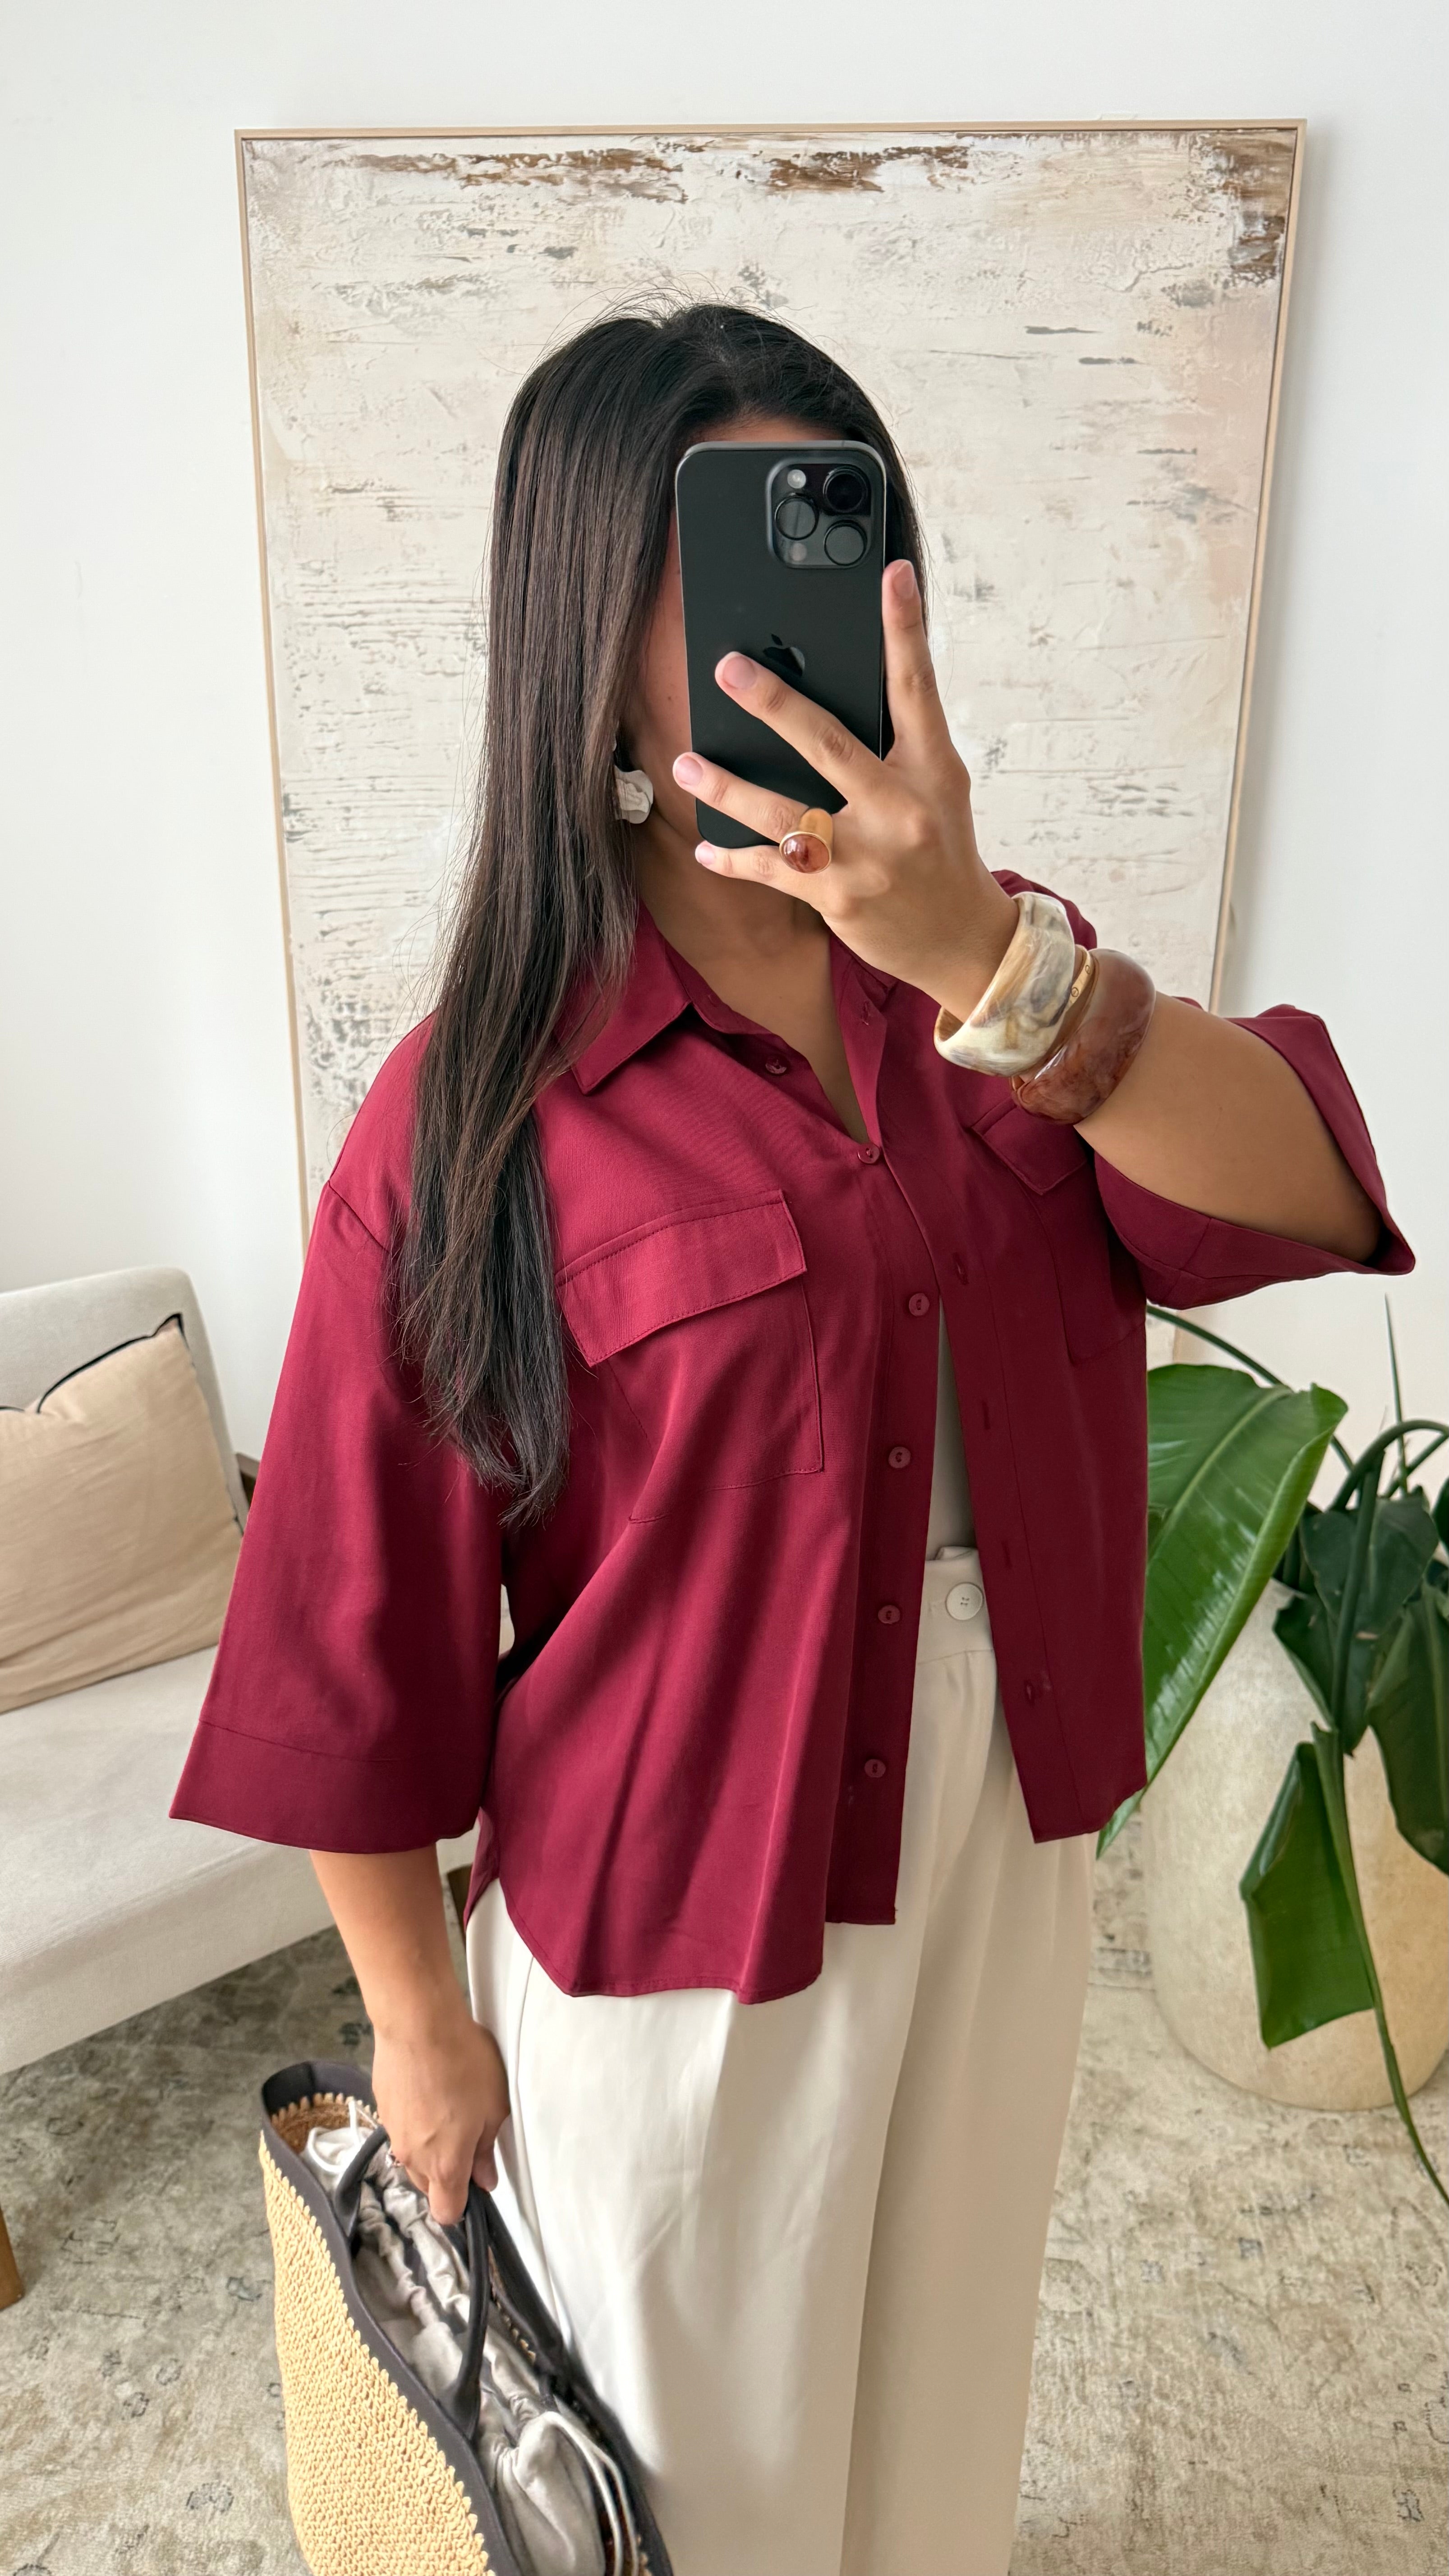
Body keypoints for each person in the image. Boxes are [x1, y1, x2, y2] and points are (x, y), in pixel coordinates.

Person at [172, 304, 1409, 2576]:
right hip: (676, 1894)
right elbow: (347, 1627)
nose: (794, 624)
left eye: (842, 541)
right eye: (716, 565)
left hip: (1000, 1843)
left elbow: (1315, 1192)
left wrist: (996, 966)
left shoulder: (1010, 990)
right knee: (702, 2497)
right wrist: (420, 2032)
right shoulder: (478, 1117)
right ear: (586, 635)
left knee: (938, 2452)